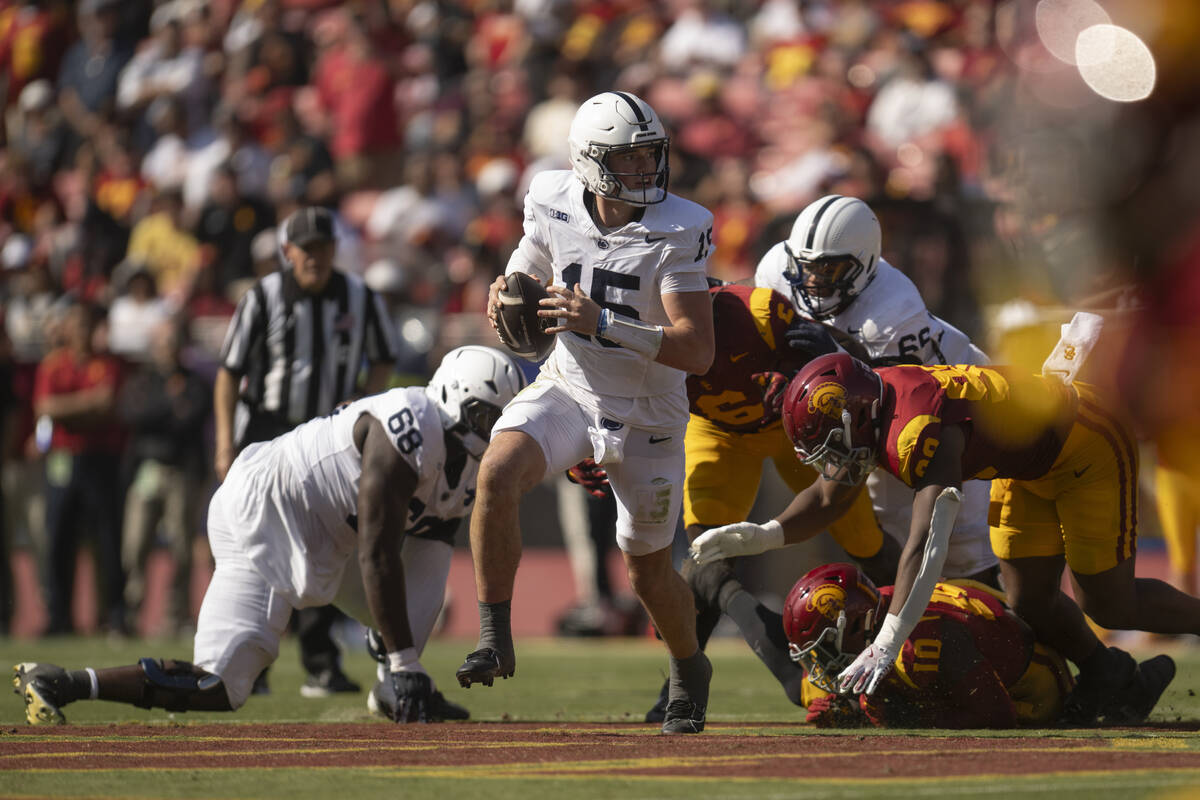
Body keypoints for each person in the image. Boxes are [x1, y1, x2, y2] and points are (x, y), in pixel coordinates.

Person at [13, 346, 526, 726]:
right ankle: (67, 681)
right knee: (220, 685)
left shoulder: (467, 465)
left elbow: (428, 548)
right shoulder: (406, 425)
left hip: (333, 534)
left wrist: (405, 657)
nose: (495, 430)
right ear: (454, 398)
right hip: (265, 514)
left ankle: (391, 690)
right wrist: (403, 659)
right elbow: (377, 550)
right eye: (488, 416)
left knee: (420, 609)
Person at [692, 353, 1183, 725]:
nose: (832, 462)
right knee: (1028, 598)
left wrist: (889, 640)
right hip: (1025, 463)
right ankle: (1111, 678)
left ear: (857, 417)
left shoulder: (914, 431)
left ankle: (1120, 670)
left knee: (1111, 604)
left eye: (832, 445)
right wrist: (763, 535)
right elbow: (827, 499)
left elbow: (927, 543)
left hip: (1082, 442)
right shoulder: (877, 403)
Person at [459, 91, 717, 734]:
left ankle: (689, 669)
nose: (645, 172)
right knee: (496, 473)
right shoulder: (549, 196)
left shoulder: (680, 227)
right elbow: (530, 264)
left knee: (648, 572)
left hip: (651, 412)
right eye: (629, 161)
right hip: (571, 387)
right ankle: (495, 633)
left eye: (649, 157)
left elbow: (699, 350)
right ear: (591, 164)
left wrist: (606, 322)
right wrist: (508, 290)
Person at [644, 282, 901, 721]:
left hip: (789, 429)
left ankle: (926, 629)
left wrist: (799, 376)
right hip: (717, 433)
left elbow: (835, 364)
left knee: (864, 541)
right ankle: (685, 687)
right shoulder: (634, 336)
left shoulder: (758, 313)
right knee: (707, 561)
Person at [755, 194, 997, 586]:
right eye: (805, 266)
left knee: (959, 551)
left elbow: (879, 396)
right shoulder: (775, 271)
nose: (813, 279)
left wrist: (829, 353)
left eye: (830, 268)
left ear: (865, 263)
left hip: (946, 408)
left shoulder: (892, 309)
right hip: (873, 411)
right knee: (888, 533)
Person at [214, 205, 397, 697]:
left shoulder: (359, 297)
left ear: (335, 250)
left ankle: (320, 662)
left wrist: (362, 401)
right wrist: (225, 443)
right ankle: (255, 664)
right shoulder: (263, 298)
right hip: (268, 431)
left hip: (327, 437)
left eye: (324, 247)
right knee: (259, 545)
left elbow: (382, 359)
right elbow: (229, 372)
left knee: (326, 544)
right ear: (287, 252)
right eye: (307, 248)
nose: (316, 257)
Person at [783, 562, 1083, 729]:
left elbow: (995, 716)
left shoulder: (922, 643)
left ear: (856, 625)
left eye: (823, 650)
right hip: (974, 654)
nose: (820, 665)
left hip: (1032, 690)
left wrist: (906, 716)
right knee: (812, 694)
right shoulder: (876, 608)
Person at [33, 302, 126, 635]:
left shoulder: (107, 365)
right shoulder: (54, 366)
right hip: (63, 458)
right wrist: (86, 405)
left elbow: (106, 404)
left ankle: (113, 615)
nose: (83, 331)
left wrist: (68, 410)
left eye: (88, 324)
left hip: (100, 459)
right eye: (77, 324)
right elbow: (44, 407)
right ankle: (59, 616)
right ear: (67, 329)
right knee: (59, 535)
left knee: (107, 537)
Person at [117, 319, 211, 637]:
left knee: (182, 546)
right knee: (135, 543)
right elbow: (132, 415)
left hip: (183, 470)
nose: (168, 349)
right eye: (163, 343)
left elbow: (193, 417)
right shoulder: (142, 381)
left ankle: (176, 616)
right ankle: (131, 613)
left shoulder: (195, 382)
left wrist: (161, 414)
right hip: (148, 469)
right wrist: (171, 405)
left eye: (173, 342)